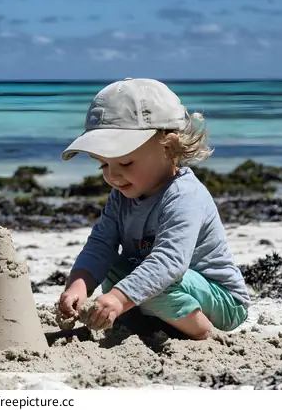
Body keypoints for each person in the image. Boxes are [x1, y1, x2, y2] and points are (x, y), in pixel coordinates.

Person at [57, 78, 250, 340]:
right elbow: (101, 244)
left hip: (221, 299)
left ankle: (205, 334)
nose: (113, 175)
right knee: (114, 265)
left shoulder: (184, 195)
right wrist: (79, 285)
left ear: (168, 147)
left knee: (153, 283)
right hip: (167, 288)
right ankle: (155, 323)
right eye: (102, 165)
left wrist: (118, 297)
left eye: (125, 162)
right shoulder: (120, 197)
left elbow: (169, 262)